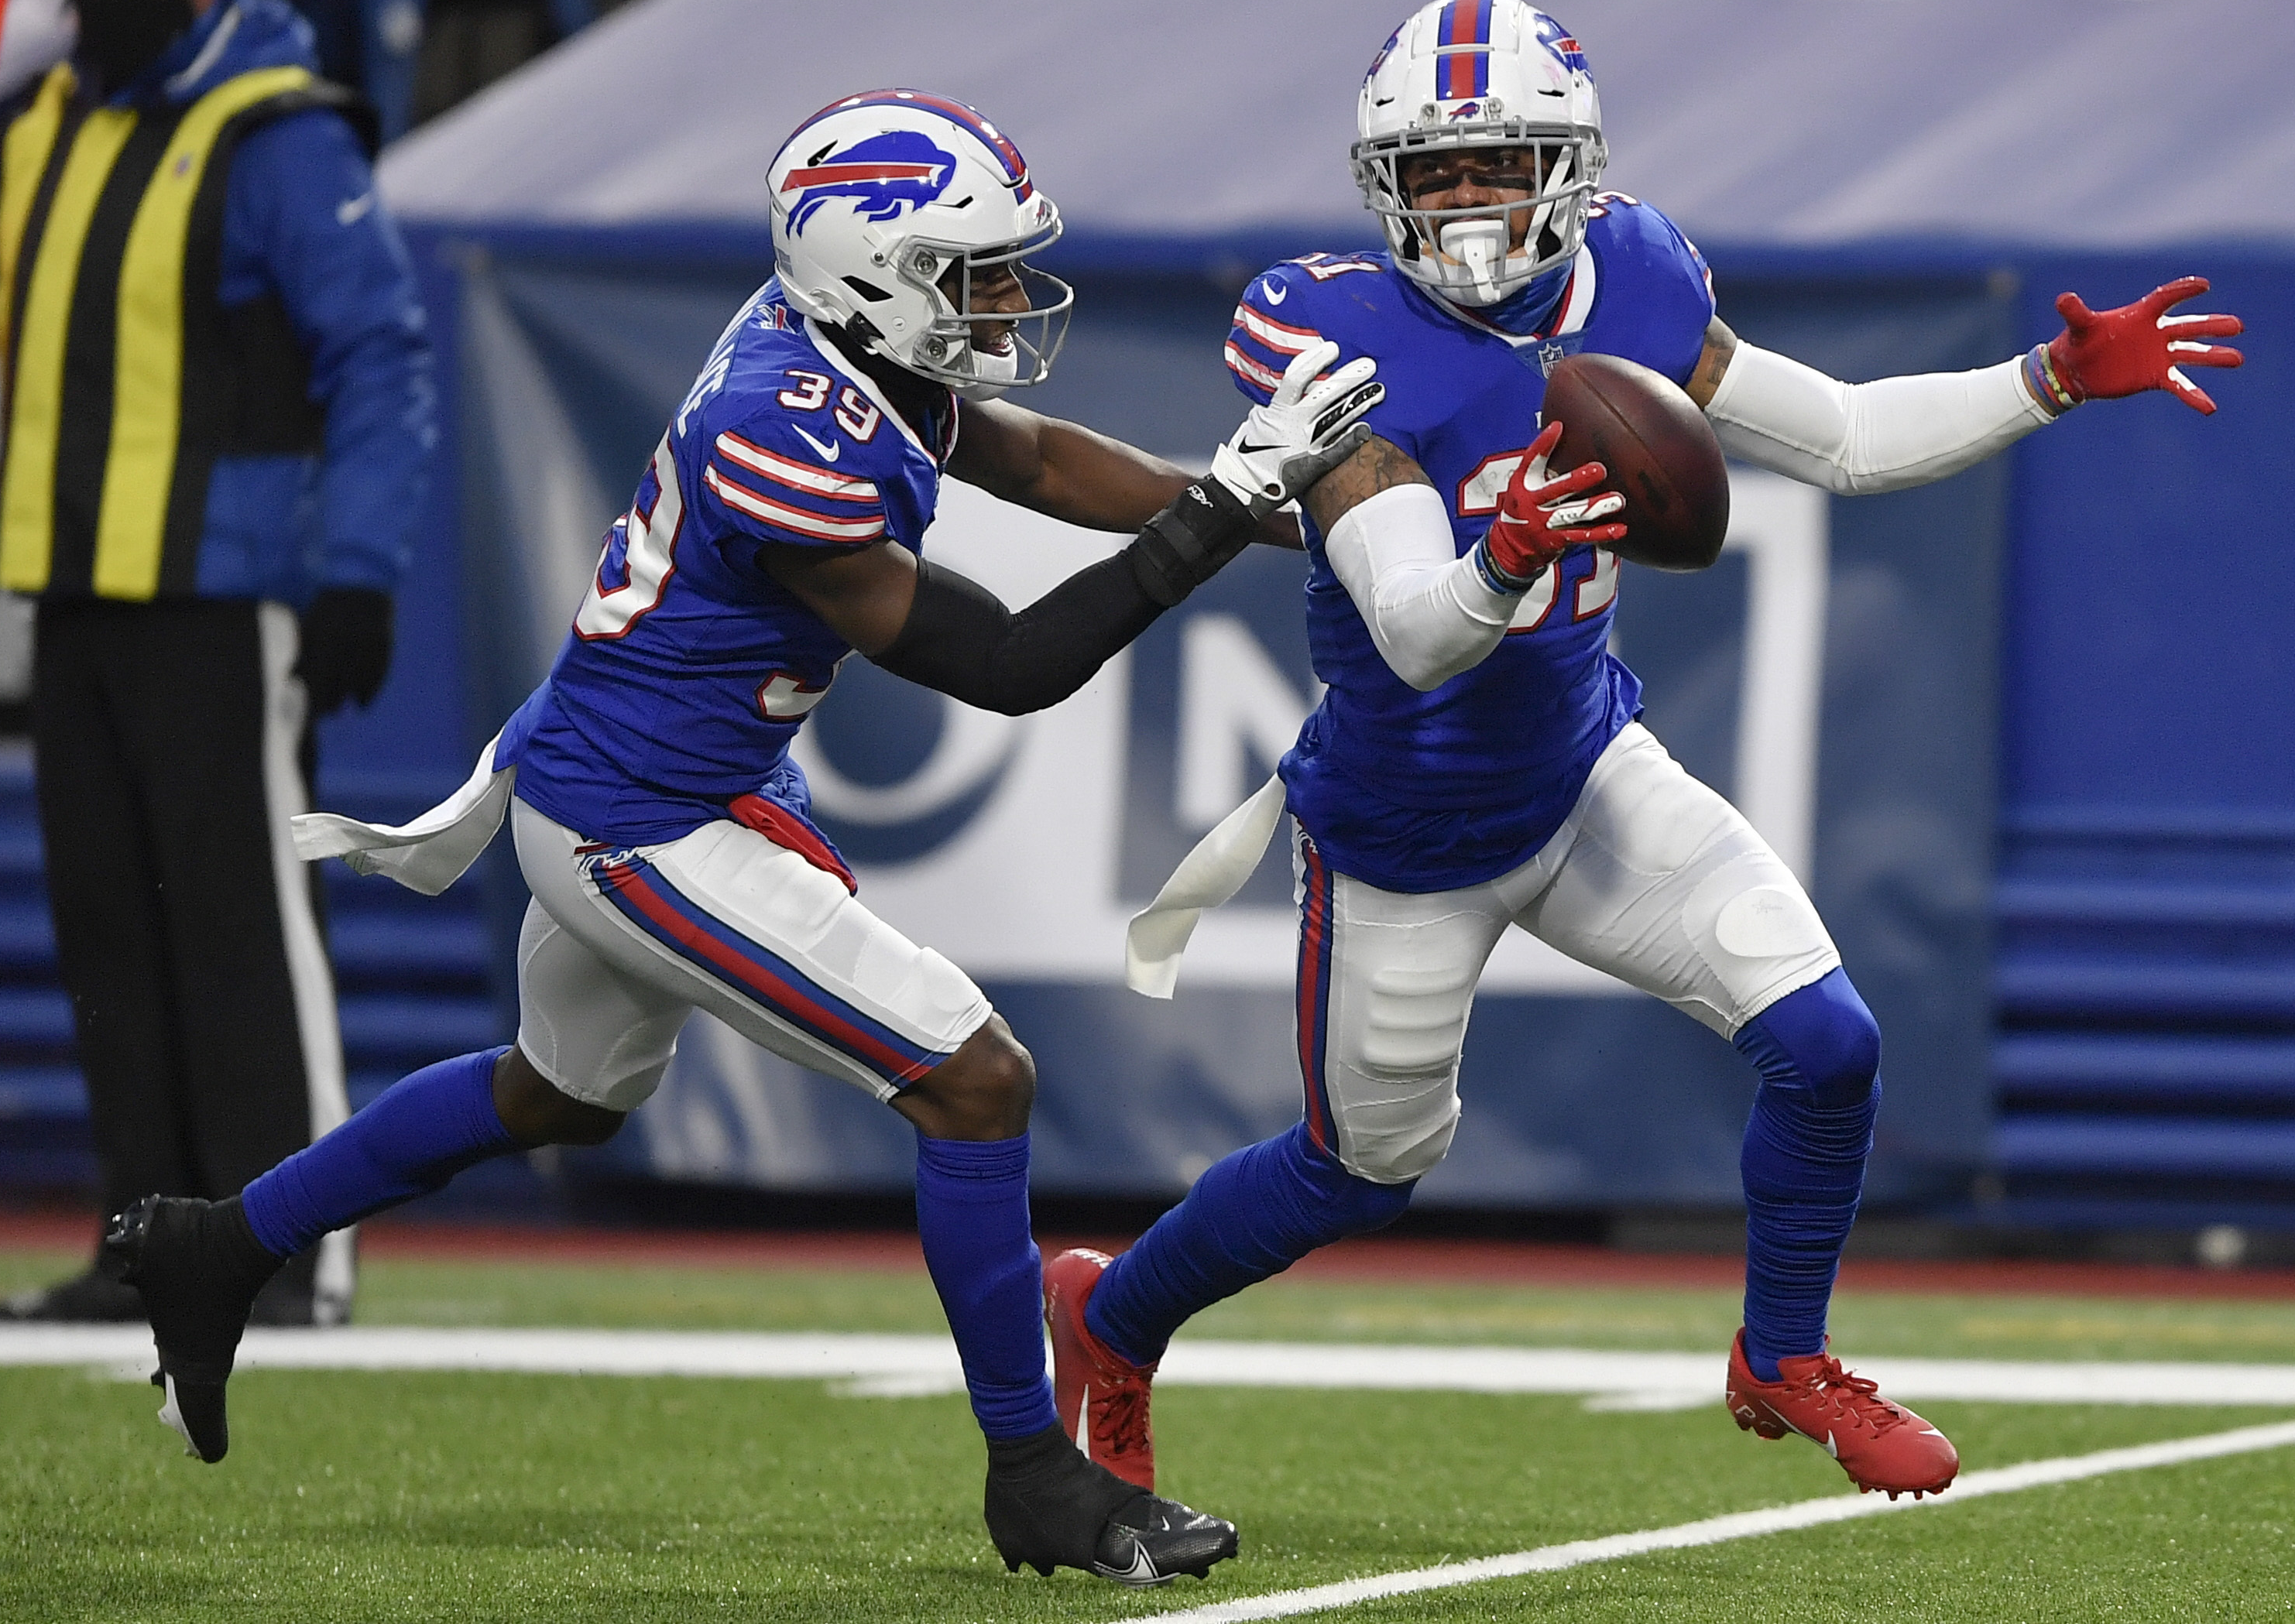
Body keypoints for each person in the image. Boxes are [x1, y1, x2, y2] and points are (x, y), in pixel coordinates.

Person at [98, 89, 1380, 1587]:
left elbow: (1038, 465)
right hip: (636, 824)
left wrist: (1293, 508)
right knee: (975, 1081)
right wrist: (1215, 511)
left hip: (638, 778)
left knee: (555, 1095)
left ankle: (215, 1244)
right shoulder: (781, 418)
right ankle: (1034, 1474)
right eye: (976, 273)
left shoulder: (843, 346)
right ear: (873, 272)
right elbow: (1012, 665)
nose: (1009, 302)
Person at [1047, 0, 2243, 1504]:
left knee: (1831, 1043)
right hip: (1406, 830)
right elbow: (1417, 633)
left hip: (1582, 768)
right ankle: (1112, 1313)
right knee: (1359, 1170)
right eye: (1433, 173)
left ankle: (1783, 1355)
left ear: (1574, 171)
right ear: (1382, 188)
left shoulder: (1639, 273)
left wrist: (2048, 383)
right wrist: (1505, 558)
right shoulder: (1333, 333)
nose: (1465, 202)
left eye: (1496, 166)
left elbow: (1852, 440)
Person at [0, 0, 431, 1327]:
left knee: (244, 926)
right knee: (109, 936)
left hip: (222, 595)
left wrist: (358, 569)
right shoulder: (42, 126)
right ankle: (148, 1244)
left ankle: (300, 1245)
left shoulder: (277, 130)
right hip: (64, 591)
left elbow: (379, 351)